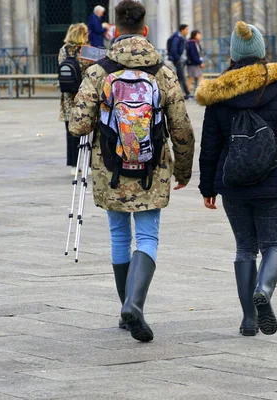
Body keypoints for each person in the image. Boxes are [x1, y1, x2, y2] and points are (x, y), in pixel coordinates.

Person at [69, 0, 195, 343]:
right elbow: (182, 128)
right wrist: (183, 170)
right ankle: (135, 305)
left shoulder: (99, 71)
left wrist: (75, 92)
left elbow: (78, 125)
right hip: (152, 169)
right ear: (145, 30)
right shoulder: (163, 72)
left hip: (110, 167)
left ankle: (126, 307)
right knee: (148, 236)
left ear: (114, 28)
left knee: (119, 236)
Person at [196, 21, 277, 337]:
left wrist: (207, 187)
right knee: (275, 245)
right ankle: (265, 289)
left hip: (233, 183)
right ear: (261, 52)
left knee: (245, 248)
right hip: (274, 180)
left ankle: (248, 320)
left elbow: (211, 145)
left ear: (233, 54)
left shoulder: (217, 95)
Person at [58, 23, 94, 174]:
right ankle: (88, 164)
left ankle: (74, 165)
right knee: (89, 130)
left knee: (70, 131)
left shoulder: (63, 50)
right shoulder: (87, 50)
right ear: (82, 35)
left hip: (67, 96)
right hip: (84, 95)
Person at [169, 24, 191, 99]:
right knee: (182, 77)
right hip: (179, 60)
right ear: (182, 30)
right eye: (186, 29)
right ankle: (187, 93)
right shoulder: (177, 38)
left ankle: (180, 93)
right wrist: (177, 59)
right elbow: (173, 49)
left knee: (180, 77)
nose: (187, 31)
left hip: (183, 60)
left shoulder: (183, 38)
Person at [186, 30, 204, 94]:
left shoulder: (196, 43)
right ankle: (188, 93)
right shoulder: (192, 43)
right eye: (198, 34)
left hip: (194, 63)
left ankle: (192, 92)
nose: (200, 36)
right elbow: (193, 54)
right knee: (193, 78)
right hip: (193, 64)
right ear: (194, 35)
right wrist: (200, 62)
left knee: (194, 77)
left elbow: (199, 54)